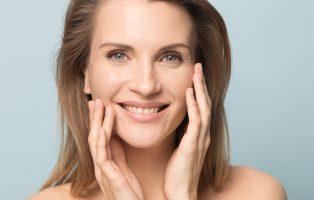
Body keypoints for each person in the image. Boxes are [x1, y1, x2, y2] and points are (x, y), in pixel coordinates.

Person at [29, 0, 287, 199]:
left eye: (170, 57)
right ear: (85, 72)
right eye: (118, 55)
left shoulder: (258, 193)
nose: (146, 85)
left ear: (200, 73)